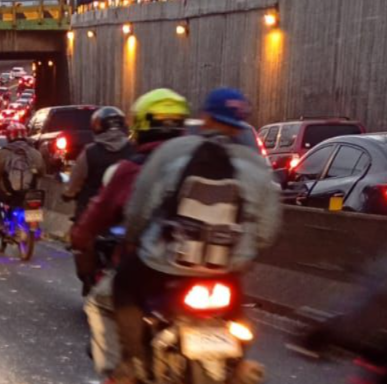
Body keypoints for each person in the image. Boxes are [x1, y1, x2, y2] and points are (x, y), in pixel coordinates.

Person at [111, 88, 281, 383]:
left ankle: (133, 363)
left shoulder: (173, 152)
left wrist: (133, 237)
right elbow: (266, 231)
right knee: (235, 311)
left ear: (204, 117)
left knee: (123, 285)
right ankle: (240, 363)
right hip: (224, 268)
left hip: (163, 263)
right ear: (241, 122)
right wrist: (239, 254)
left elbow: (141, 206)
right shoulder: (255, 165)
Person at [70, 89, 191, 375]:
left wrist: (79, 237)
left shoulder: (131, 167)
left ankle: (126, 368)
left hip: (150, 260)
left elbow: (97, 216)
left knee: (105, 299)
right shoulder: (199, 162)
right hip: (206, 264)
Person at [62, 106, 133, 220]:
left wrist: (68, 194)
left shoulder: (89, 153)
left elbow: (76, 179)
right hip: (126, 213)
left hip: (93, 214)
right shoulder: (134, 150)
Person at [0, 122, 46, 232]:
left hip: (9, 193)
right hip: (29, 193)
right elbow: (42, 172)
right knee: (35, 199)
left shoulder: (4, 152)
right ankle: (36, 227)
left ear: (8, 137)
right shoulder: (35, 153)